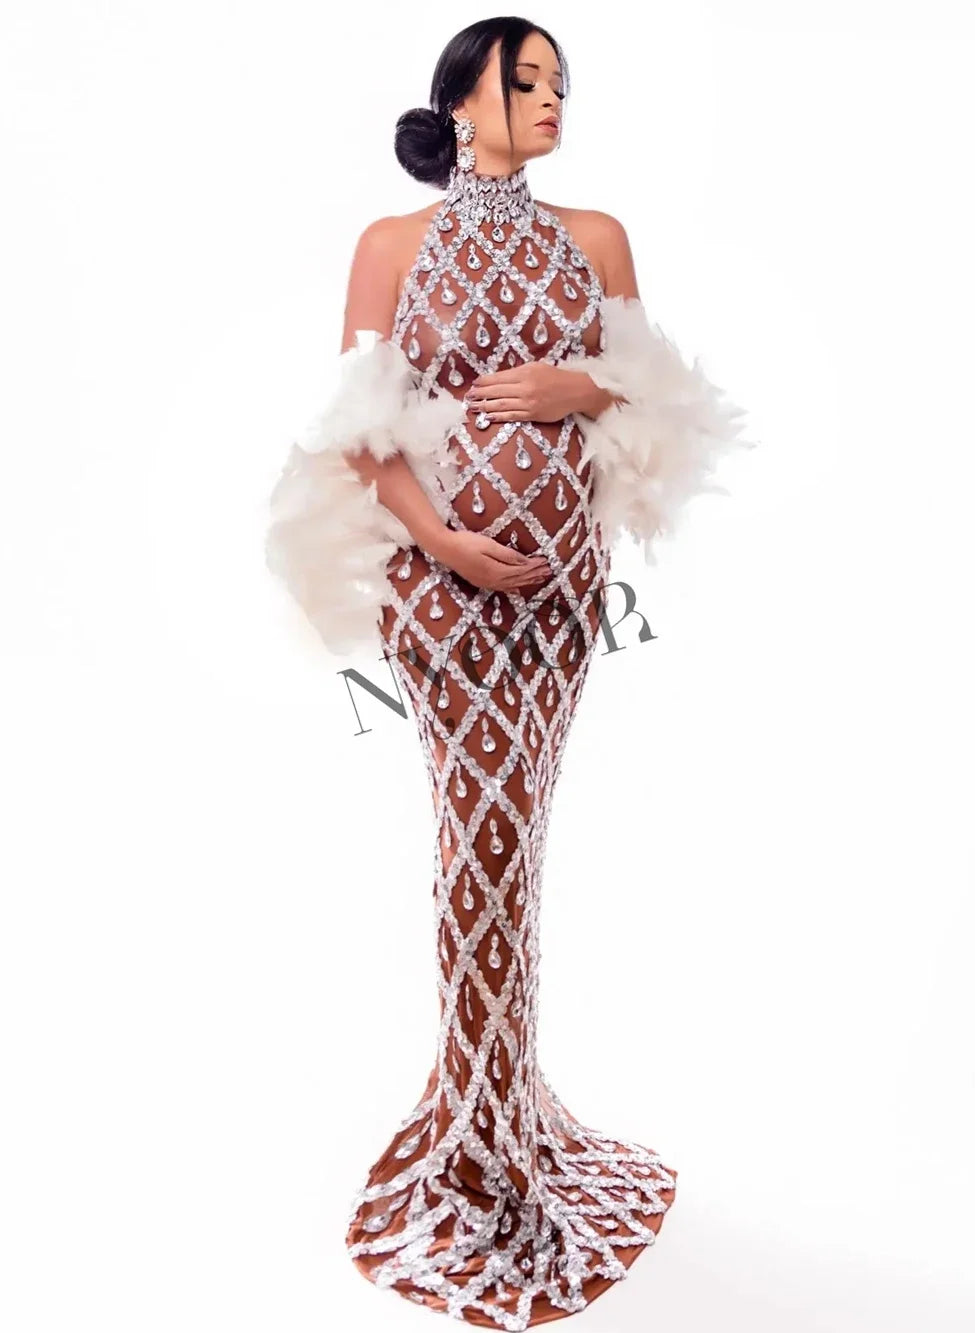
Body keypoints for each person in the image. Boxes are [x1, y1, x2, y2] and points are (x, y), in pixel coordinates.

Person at [266, 17, 752, 1330]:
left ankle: (505, 1114)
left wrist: (574, 388)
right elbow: (358, 432)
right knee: (473, 839)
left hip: (559, 602)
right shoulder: (390, 244)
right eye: (525, 80)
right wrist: (444, 542)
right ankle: (478, 1148)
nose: (551, 102)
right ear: (461, 100)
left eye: (560, 85)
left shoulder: (598, 238)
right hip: (440, 597)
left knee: (512, 838)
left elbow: (654, 397)